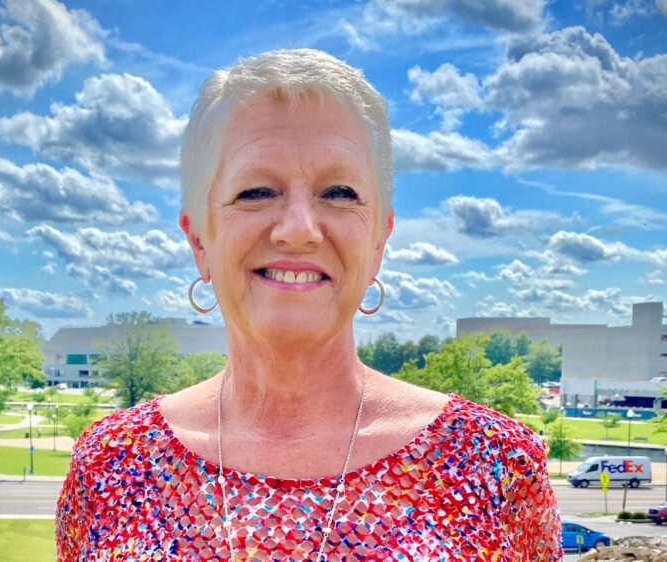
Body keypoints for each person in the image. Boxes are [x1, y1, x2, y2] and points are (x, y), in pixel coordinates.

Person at [56, 49, 561, 561]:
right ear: (200, 240)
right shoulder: (112, 466)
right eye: (255, 191)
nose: (298, 228)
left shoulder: (494, 466)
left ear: (379, 241)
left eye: (338, 192)